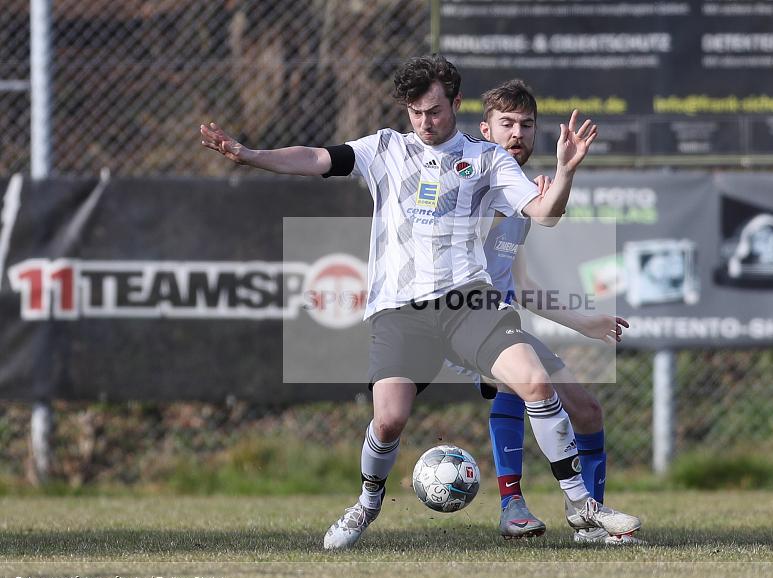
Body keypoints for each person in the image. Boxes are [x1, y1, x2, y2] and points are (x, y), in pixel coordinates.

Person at [200, 54, 640, 550]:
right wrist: (250, 154)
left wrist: (564, 173)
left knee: (535, 382)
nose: (424, 122)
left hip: (468, 302)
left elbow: (544, 212)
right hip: (400, 310)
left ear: (456, 103)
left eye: (433, 111)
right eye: (415, 113)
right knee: (388, 420)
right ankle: (367, 502)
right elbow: (317, 158)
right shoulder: (386, 148)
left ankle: (580, 504)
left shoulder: (486, 158)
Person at [472, 79, 641, 545]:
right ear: (485, 130)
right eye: (506, 124)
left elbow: (522, 285)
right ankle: (512, 504)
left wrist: (586, 322)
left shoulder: (521, 194)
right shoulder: (473, 182)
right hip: (455, 320)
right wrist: (552, 186)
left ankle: (590, 523)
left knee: (587, 411)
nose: (517, 133)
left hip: (498, 322)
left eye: (526, 125)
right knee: (514, 380)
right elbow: (546, 214)